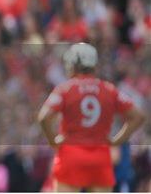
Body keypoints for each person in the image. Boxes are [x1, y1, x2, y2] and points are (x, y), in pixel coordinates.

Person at [38, 43, 145, 192]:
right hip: (100, 158)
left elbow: (44, 117)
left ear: (73, 64)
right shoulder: (109, 89)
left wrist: (53, 141)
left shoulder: (65, 89)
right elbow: (138, 116)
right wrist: (118, 140)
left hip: (70, 155)